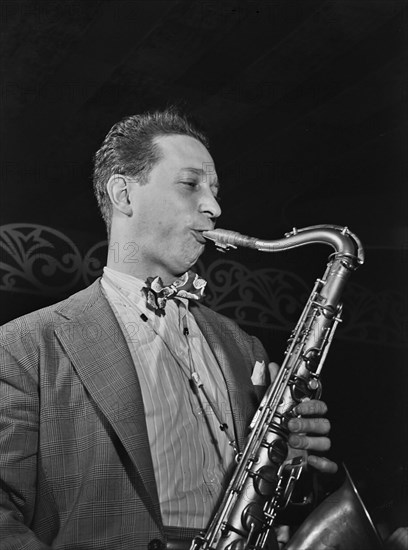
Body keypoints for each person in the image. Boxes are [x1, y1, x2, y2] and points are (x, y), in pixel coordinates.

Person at [0, 108, 336, 549]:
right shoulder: (23, 346)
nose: (214, 207)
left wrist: (286, 457)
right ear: (123, 194)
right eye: (190, 184)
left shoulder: (244, 347)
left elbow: (268, 503)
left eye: (214, 191)